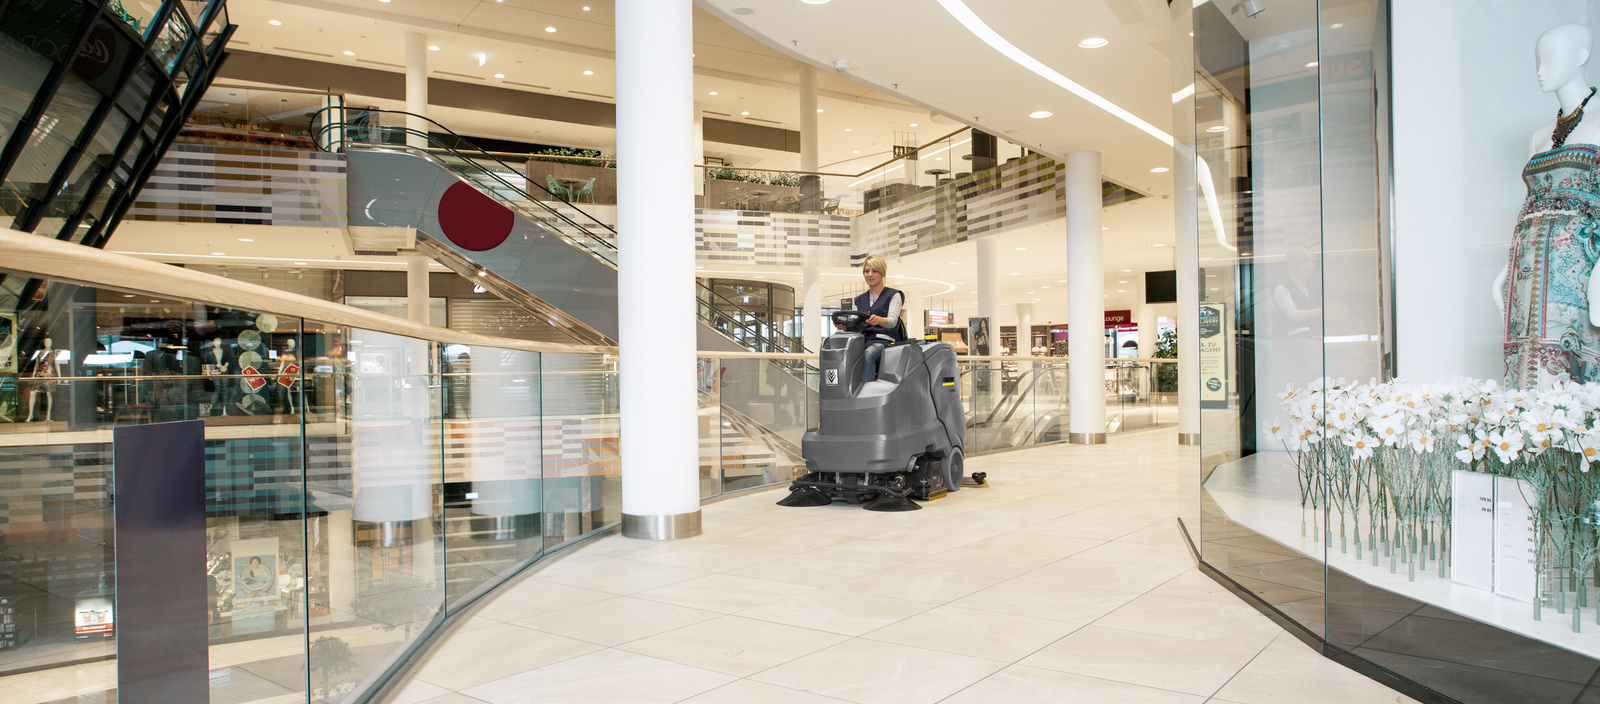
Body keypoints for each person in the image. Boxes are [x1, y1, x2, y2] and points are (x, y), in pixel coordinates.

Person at [852, 255, 907, 382]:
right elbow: (854, 322)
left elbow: (892, 322)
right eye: (866, 271)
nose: (870, 274)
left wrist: (880, 320)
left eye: (874, 271)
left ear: (882, 273)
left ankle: (868, 395)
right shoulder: (859, 300)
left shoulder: (894, 295)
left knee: (868, 355)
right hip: (863, 341)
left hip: (885, 340)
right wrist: (846, 326)